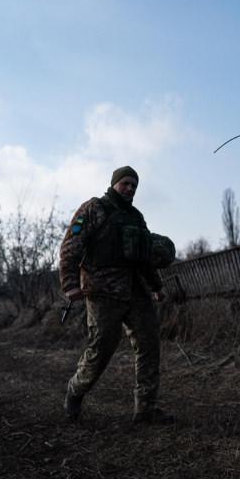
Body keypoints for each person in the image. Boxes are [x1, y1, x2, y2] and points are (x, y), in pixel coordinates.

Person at [60, 165, 174, 424]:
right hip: (102, 292)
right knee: (100, 351)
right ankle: (74, 392)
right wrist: (69, 284)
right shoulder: (94, 209)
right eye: (125, 183)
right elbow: (71, 245)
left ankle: (145, 410)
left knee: (149, 346)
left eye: (134, 185)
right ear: (114, 184)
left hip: (135, 291)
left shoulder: (136, 217)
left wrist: (155, 286)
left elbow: (143, 257)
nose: (130, 189)